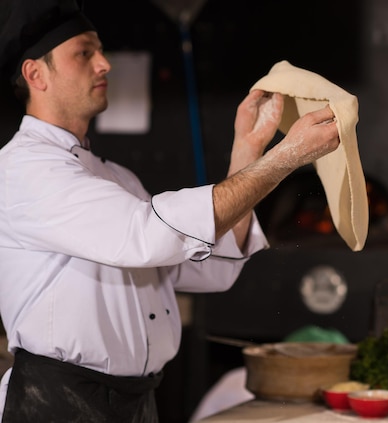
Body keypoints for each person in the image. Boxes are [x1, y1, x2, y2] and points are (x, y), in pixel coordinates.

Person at [0, 1, 340, 421]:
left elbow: (210, 267)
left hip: (138, 401)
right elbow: (146, 237)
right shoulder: (24, 169)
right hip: (57, 405)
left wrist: (248, 149)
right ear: (36, 74)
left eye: (100, 50)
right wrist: (286, 158)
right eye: (85, 53)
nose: (105, 64)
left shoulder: (117, 178)